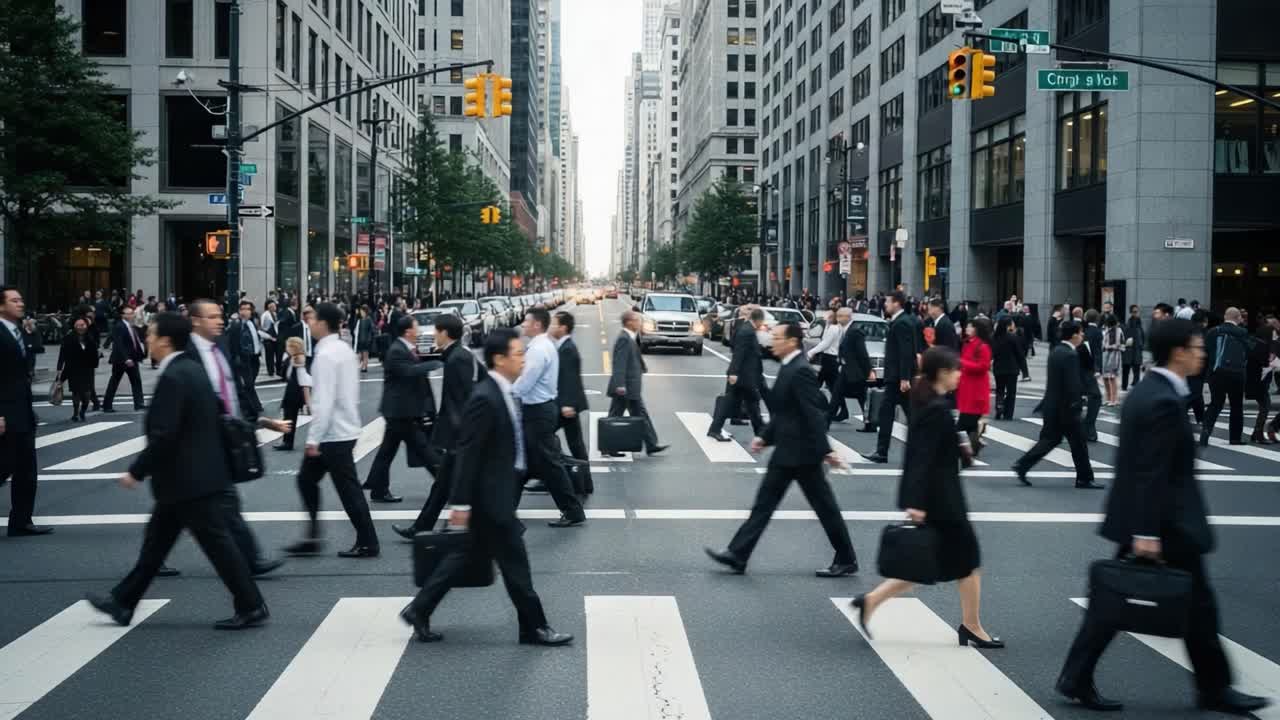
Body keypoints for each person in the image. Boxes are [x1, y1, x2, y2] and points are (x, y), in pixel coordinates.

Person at [1056, 319, 1270, 716]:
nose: (1202, 353)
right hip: (1163, 523)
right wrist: (1146, 531)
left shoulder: (1150, 392)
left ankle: (1078, 676)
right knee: (1191, 605)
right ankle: (1214, 689)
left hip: (1152, 519)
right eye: (1196, 346)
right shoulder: (1162, 401)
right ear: (1178, 352)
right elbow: (1150, 470)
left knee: (1123, 602)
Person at [85, 312, 268, 630]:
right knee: (157, 546)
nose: (147, 340)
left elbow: (165, 435)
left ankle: (251, 604)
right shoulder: (193, 370)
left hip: (188, 481)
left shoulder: (174, 376)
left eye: (151, 335)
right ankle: (123, 602)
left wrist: (137, 471)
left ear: (165, 341)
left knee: (218, 546)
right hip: (189, 480)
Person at [399, 329, 574, 647]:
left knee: (463, 557)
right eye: (517, 354)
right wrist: (461, 505)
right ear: (499, 359)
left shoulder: (502, 392)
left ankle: (419, 608)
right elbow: (467, 454)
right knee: (516, 564)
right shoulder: (485, 397)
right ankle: (534, 627)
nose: (522, 358)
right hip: (489, 498)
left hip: (495, 493)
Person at [849, 347, 1002, 648]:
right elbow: (919, 458)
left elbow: (942, 452)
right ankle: (972, 626)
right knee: (968, 561)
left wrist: (971, 444)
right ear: (943, 372)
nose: (960, 374)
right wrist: (915, 503)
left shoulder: (932, 402)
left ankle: (869, 602)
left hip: (938, 498)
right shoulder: (934, 408)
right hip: (941, 500)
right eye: (956, 369)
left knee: (927, 563)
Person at [705, 322, 859, 578]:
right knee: (764, 505)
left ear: (791, 342)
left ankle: (846, 558)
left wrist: (826, 451)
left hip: (804, 455)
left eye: (776, 337)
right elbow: (784, 412)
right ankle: (737, 554)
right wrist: (765, 437)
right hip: (787, 452)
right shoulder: (789, 366)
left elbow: (813, 414)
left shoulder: (800, 370)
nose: (771, 340)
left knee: (825, 507)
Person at [284, 302, 380, 558]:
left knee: (347, 490)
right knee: (309, 480)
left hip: (332, 434)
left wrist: (313, 438)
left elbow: (323, 400)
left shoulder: (326, 354)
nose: (310, 323)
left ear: (323, 323)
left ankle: (367, 541)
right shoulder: (343, 350)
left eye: (313, 319)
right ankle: (315, 537)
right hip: (343, 429)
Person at [394, 313, 480, 538]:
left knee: (464, 485)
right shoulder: (455, 355)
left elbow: (464, 399)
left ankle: (507, 526)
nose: (433, 335)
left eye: (436, 331)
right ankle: (420, 527)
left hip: (461, 434)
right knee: (442, 485)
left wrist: (460, 433)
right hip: (458, 433)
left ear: (444, 333)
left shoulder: (457, 358)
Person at [512, 307, 587, 527]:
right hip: (540, 411)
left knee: (551, 466)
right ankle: (504, 510)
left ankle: (573, 511)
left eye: (526, 321)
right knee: (523, 464)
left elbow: (526, 382)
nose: (523, 325)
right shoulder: (544, 345)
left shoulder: (538, 349)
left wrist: (505, 393)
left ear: (536, 325)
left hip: (537, 413)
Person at [1013, 321, 1100, 489]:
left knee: (1050, 440)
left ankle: (1022, 465)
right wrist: (1078, 402)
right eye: (1081, 333)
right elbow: (1072, 383)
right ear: (1074, 335)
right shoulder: (1070, 354)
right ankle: (1084, 478)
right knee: (1079, 443)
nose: (1082, 336)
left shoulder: (1056, 351)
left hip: (1053, 406)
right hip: (1067, 408)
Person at [362, 314, 436, 504]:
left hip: (399, 410)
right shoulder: (397, 350)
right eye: (416, 326)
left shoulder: (405, 348)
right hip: (399, 411)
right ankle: (447, 484)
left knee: (387, 452)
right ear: (408, 331)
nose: (419, 330)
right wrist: (434, 364)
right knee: (424, 450)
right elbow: (408, 372)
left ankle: (377, 488)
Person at [1, 288, 50, 536]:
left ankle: (21, 521)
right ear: (1, 306)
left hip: (22, 410)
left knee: (26, 470)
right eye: (14, 300)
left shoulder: (18, 331)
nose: (21, 304)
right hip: (6, 413)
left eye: (21, 299)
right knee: (4, 465)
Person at [862, 292, 915, 463]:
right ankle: (882, 451)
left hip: (898, 378)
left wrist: (905, 378)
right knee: (901, 414)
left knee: (891, 413)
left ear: (897, 303)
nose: (885, 304)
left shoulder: (902, 323)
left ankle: (882, 452)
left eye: (888, 302)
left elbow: (906, 352)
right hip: (896, 377)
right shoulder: (900, 321)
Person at [606, 311, 668, 457]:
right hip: (626, 387)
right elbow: (619, 363)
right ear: (629, 322)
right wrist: (620, 385)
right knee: (617, 417)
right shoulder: (624, 339)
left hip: (630, 386)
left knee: (638, 415)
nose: (640, 323)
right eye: (637, 320)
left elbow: (631, 358)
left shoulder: (629, 337)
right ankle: (609, 446)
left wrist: (642, 367)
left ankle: (651, 444)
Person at [707, 307, 766, 440]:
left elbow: (734, 345)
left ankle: (760, 431)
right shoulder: (747, 331)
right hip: (742, 375)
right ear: (758, 320)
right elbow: (739, 353)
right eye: (762, 322)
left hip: (743, 374)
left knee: (751, 403)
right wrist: (734, 373)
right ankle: (760, 431)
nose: (762, 325)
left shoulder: (745, 328)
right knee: (746, 402)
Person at [550, 311, 592, 494]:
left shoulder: (567, 349)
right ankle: (585, 482)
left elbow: (569, 378)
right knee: (576, 444)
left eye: (554, 324)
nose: (551, 326)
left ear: (563, 327)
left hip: (566, 406)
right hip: (567, 405)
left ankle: (545, 475)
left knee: (541, 438)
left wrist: (567, 404)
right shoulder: (564, 346)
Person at [1200, 307, 1251, 446]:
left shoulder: (1213, 331)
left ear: (1225, 317)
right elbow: (1248, 351)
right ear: (1238, 318)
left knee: (1216, 403)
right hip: (1237, 374)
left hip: (1217, 373)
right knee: (1236, 405)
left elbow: (1206, 352)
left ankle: (1205, 431)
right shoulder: (1242, 332)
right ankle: (1235, 438)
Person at [956, 317, 993, 457]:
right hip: (966, 386)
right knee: (969, 424)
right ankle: (974, 446)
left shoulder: (982, 346)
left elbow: (984, 366)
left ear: (977, 330)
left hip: (976, 389)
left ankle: (964, 450)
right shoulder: (967, 343)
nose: (967, 329)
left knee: (963, 424)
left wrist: (963, 363)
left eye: (970, 327)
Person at [834, 308, 875, 427]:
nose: (838, 318)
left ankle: (870, 423)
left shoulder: (855, 332)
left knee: (858, 397)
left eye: (840, 316)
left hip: (854, 371)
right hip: (847, 370)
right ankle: (869, 423)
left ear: (848, 317)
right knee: (842, 396)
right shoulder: (846, 330)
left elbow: (862, 354)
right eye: (838, 316)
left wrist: (869, 370)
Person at [103, 306, 147, 413]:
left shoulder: (131, 326)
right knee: (114, 381)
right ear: (123, 315)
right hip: (121, 360)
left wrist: (139, 356)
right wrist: (126, 358)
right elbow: (119, 344)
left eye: (132, 313)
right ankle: (107, 405)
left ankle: (139, 404)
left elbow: (135, 341)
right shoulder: (120, 326)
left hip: (132, 359)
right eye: (128, 313)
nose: (131, 315)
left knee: (136, 381)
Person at [57, 318, 98, 422]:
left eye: (83, 325)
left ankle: (83, 411)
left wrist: (96, 359)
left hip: (87, 370)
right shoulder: (68, 338)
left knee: (87, 394)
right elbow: (62, 355)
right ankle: (75, 413)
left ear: (86, 325)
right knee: (76, 392)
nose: (81, 327)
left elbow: (94, 352)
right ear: (75, 326)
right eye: (78, 325)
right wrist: (59, 368)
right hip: (73, 369)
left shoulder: (90, 337)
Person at [273, 337, 311, 452]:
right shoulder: (291, 358)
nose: (286, 348)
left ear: (293, 347)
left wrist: (308, 401)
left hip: (294, 393)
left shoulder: (299, 360)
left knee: (289, 418)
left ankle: (287, 442)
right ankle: (287, 441)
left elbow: (304, 381)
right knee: (288, 418)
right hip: (291, 391)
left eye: (288, 346)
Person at [229, 301, 263, 417]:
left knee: (249, 384)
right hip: (245, 358)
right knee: (248, 384)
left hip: (255, 357)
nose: (245, 311)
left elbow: (255, 338)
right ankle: (253, 408)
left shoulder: (252, 323)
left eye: (248, 309)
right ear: (239, 310)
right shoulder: (237, 325)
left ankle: (254, 406)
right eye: (243, 309)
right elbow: (233, 343)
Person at [807, 309, 843, 411]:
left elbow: (825, 343)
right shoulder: (830, 327)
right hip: (829, 358)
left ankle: (814, 406)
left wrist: (811, 352)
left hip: (830, 358)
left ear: (832, 317)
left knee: (819, 383)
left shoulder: (833, 328)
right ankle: (841, 410)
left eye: (827, 315)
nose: (824, 317)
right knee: (832, 386)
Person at [991, 316, 1023, 421]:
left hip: (998, 367)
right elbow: (1019, 354)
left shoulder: (994, 337)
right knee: (1011, 392)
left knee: (1000, 389)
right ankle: (1008, 414)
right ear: (1008, 325)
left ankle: (999, 406)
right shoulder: (1013, 337)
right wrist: (1024, 370)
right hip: (1012, 368)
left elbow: (992, 353)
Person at [1079, 310, 1104, 441]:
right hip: (1088, 369)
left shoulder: (1083, 330)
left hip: (1078, 367)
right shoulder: (1097, 332)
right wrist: (1098, 368)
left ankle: (1087, 429)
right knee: (1095, 397)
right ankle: (1088, 427)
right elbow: (1097, 352)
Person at [1100, 313, 1124, 407]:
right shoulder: (1106, 330)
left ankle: (1114, 399)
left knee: (1112, 377)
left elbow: (1121, 344)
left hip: (1114, 355)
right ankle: (1108, 398)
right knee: (1105, 377)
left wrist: (1112, 346)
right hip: (1105, 354)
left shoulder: (1118, 331)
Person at [1121, 305, 1145, 391]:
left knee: (1136, 370)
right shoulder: (1129, 324)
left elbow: (1142, 337)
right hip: (1129, 350)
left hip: (1137, 350)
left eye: (1137, 311)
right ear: (1131, 312)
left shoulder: (1139, 323)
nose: (1136, 313)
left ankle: (1135, 384)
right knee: (1126, 369)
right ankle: (1124, 386)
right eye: (1134, 312)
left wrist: (1141, 347)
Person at [353, 305, 374, 372]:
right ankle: (361, 366)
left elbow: (371, 330)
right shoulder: (360, 320)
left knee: (365, 354)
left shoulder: (368, 319)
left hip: (366, 340)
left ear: (365, 312)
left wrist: (369, 339)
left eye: (362, 312)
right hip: (361, 339)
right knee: (360, 354)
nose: (361, 313)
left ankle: (364, 367)